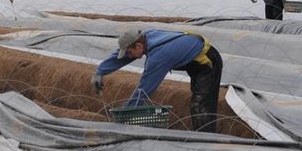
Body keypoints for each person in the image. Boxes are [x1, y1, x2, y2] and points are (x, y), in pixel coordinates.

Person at [91, 28, 223, 133]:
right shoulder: (146, 37)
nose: (129, 56)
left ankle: (207, 141)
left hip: (208, 63)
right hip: (194, 61)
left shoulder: (159, 57)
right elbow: (122, 55)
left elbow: (144, 89)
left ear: (138, 46)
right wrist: (100, 71)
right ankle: (201, 134)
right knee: (198, 97)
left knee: (201, 104)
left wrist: (126, 112)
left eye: (129, 52)